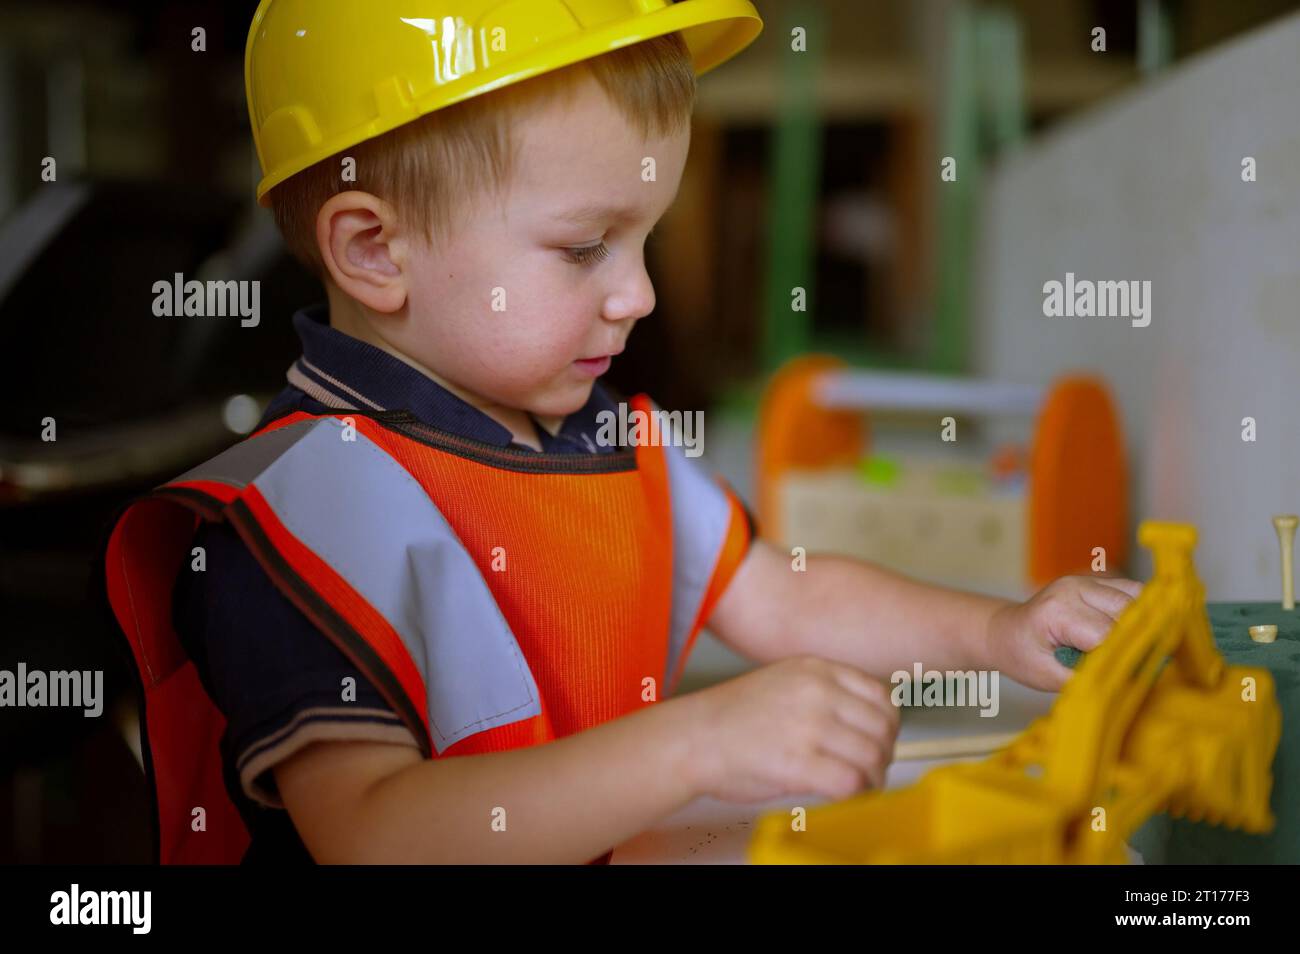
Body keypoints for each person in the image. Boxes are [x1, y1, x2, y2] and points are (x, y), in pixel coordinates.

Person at [104, 0, 1140, 865]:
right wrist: (689, 746)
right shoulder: (301, 515)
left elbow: (783, 592)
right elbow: (376, 835)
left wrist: (997, 633)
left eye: (643, 240)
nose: (637, 295)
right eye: (585, 246)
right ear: (375, 250)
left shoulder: (602, 440)